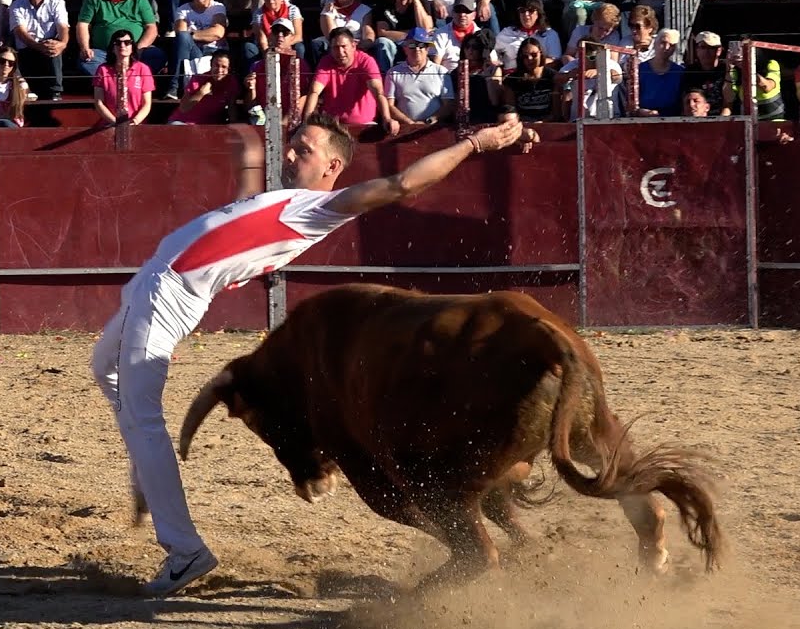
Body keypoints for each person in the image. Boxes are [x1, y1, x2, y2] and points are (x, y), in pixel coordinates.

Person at [89, 112, 527, 597]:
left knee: (142, 419)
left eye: (304, 149)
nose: (291, 153)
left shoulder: (318, 208)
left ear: (332, 165)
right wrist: (250, 168)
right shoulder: (291, 203)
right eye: (292, 145)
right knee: (105, 370)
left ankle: (184, 548)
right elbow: (238, 224)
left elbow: (403, 184)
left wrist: (474, 142)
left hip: (165, 293)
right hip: (160, 288)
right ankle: (148, 464)